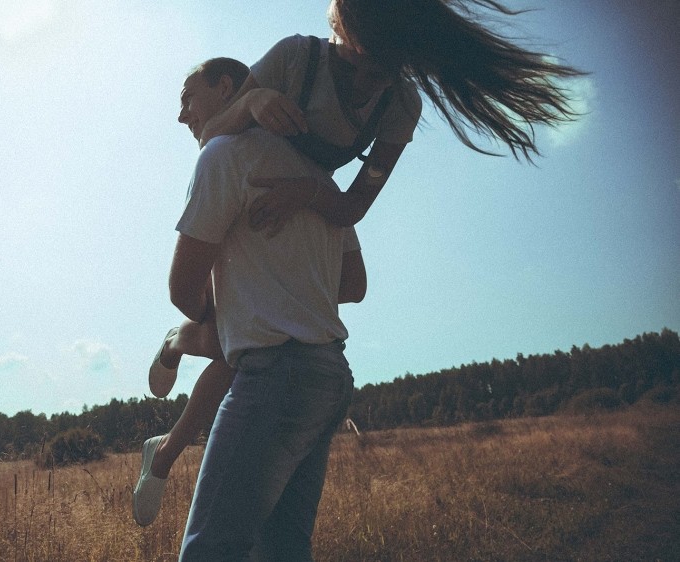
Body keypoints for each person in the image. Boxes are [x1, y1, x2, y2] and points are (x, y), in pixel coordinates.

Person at [136, 0, 584, 529]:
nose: (367, 83)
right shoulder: (294, 59)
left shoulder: (401, 104)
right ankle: (175, 364)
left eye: (384, 71)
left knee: (247, 338)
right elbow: (215, 138)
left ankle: (172, 392)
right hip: (250, 197)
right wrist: (253, 100)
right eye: (356, 63)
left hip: (316, 201)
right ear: (342, 35)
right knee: (237, 342)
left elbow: (353, 206)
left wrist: (304, 195)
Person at [132, 58, 367, 535]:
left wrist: (263, 301)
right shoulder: (319, 176)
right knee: (282, 547)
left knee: (214, 548)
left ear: (225, 87)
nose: (181, 115)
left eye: (187, 98)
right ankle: (166, 440)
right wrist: (290, 293)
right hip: (330, 374)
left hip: (277, 373)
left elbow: (182, 290)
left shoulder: (225, 155)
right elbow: (354, 285)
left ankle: (177, 349)